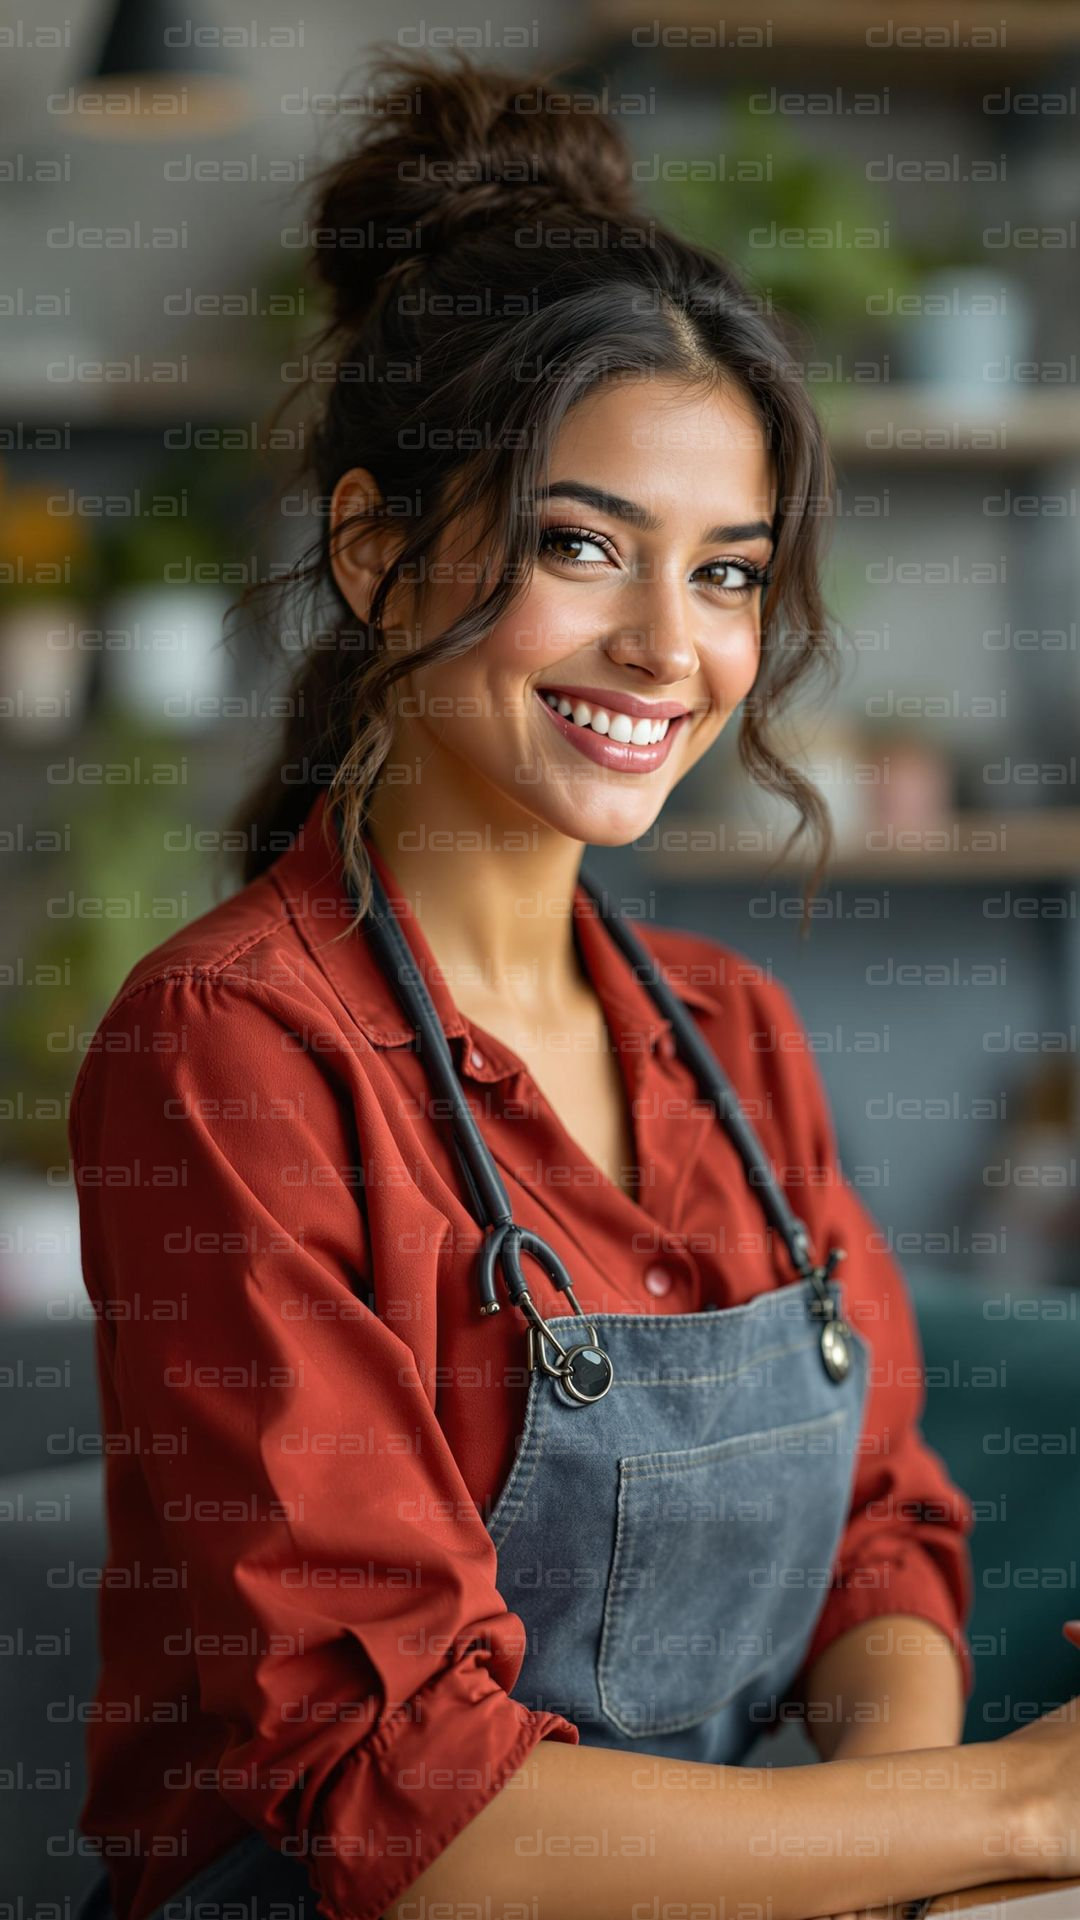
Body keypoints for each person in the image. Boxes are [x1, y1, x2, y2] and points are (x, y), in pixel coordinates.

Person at [69, 44, 1080, 1920]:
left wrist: (891, 1847)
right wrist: (1010, 1814)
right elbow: (417, 1816)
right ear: (377, 555)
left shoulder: (731, 1036)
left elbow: (882, 1540)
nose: (665, 646)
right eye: (579, 546)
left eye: (728, 574)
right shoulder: (235, 1051)